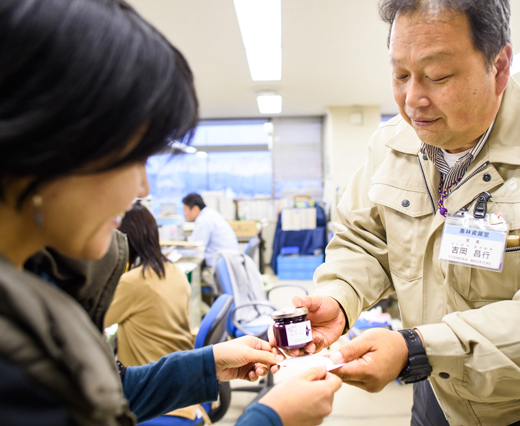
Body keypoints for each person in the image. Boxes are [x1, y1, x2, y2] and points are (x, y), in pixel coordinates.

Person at [278, 1, 520, 425]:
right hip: (437, 391)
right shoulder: (391, 144)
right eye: (400, 75)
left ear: (499, 67)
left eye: (438, 76)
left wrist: (416, 348)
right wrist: (339, 296)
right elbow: (364, 241)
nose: (412, 100)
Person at [0, 1, 341, 425]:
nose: (141, 188)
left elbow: (104, 391)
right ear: (52, 139)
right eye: (133, 157)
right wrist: (271, 419)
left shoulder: (44, 281)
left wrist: (205, 365)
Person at [105, 201, 202, 420]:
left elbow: (94, 319)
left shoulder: (132, 282)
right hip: (182, 380)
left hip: (151, 387)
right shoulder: (174, 270)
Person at [183, 193, 240, 267]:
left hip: (219, 267)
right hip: (229, 263)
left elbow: (195, 247)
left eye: (185, 210)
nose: (184, 214)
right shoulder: (211, 213)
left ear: (195, 209)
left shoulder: (203, 220)